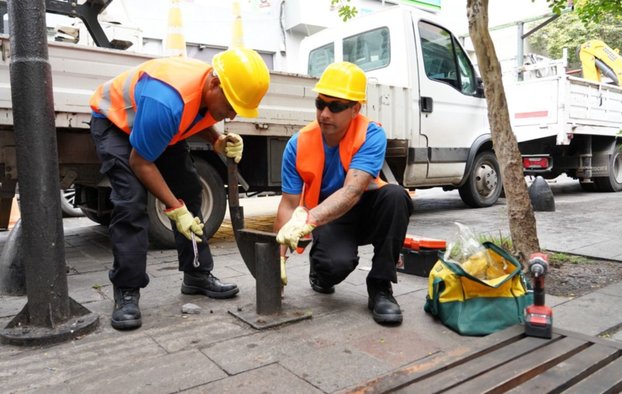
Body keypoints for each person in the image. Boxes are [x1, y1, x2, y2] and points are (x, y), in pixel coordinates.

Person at [89, 48, 270, 330]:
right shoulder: (168, 101)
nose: (232, 115)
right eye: (232, 105)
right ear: (214, 84)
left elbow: (196, 115)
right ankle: (126, 290)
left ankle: (196, 275)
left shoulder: (211, 87)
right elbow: (141, 161)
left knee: (189, 188)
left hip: (153, 123)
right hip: (116, 124)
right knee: (131, 201)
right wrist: (174, 208)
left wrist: (217, 140)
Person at [274, 62, 413, 325]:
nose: (324, 113)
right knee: (333, 266)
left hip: (364, 211)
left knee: (395, 196)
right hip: (329, 218)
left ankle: (381, 287)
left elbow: (352, 191)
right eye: (320, 104)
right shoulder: (298, 144)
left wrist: (308, 220)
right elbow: (288, 204)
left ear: (355, 109)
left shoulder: (371, 134)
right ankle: (320, 272)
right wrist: (276, 264)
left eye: (335, 106)